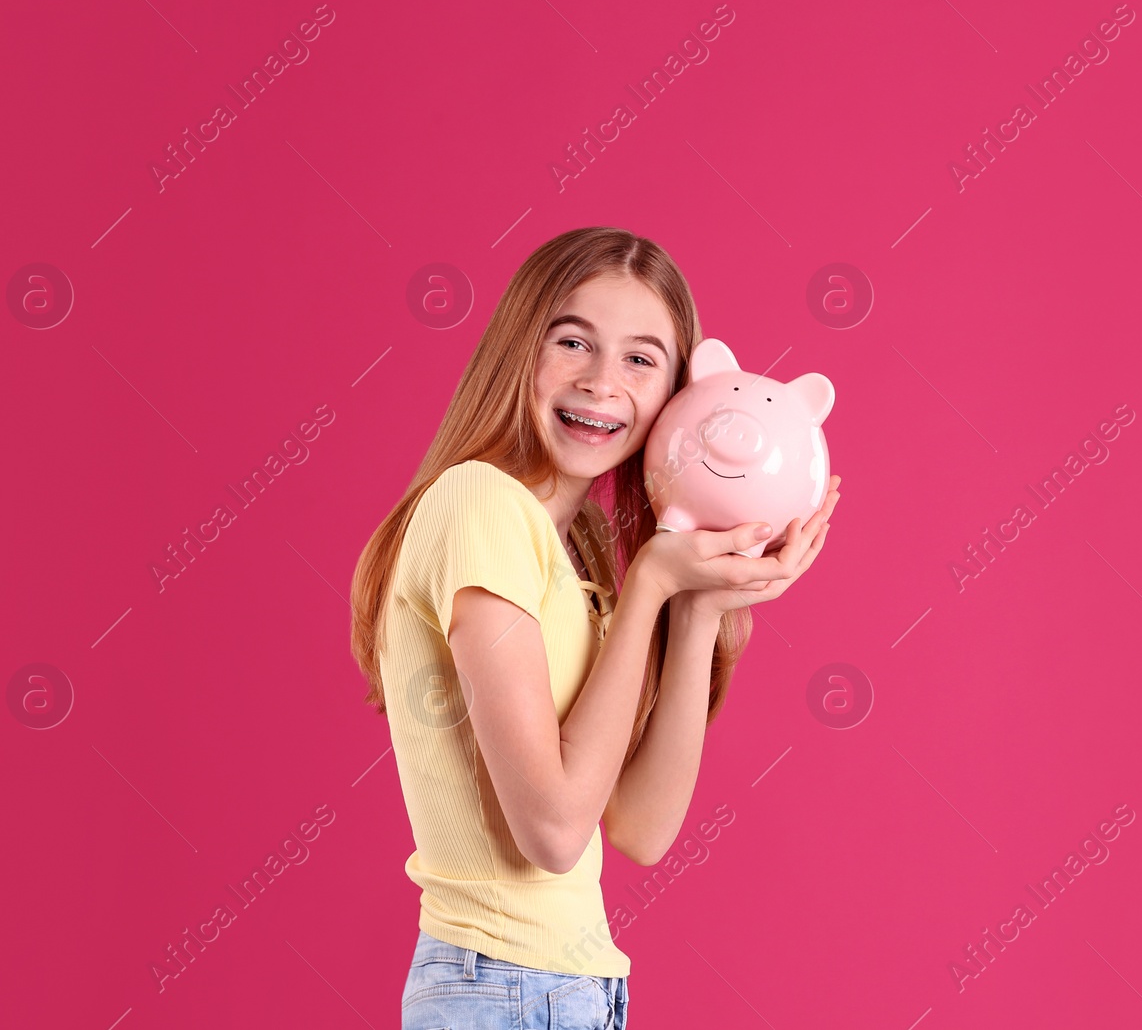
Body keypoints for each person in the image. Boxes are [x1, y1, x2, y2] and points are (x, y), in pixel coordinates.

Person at [349, 226, 840, 1029]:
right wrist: (651, 583)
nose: (601, 382)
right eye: (573, 341)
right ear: (519, 348)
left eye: (642, 359)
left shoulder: (575, 567)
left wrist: (698, 606)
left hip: (565, 991)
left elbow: (641, 829)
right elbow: (551, 828)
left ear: (680, 397)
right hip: (502, 988)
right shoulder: (479, 504)